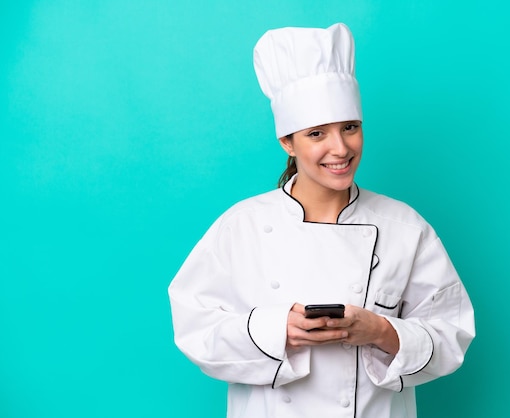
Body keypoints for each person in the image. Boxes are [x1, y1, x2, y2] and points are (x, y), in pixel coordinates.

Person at [168, 23, 475, 418]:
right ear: (287, 142)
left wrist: (381, 332)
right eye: (317, 133)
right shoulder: (241, 226)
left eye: (350, 127)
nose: (340, 148)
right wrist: (277, 330)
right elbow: (195, 330)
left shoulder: (405, 227)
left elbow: (453, 333)